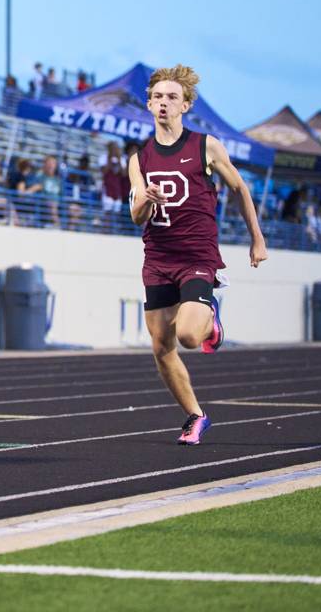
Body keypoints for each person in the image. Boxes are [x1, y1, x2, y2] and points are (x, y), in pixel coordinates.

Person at [129, 64, 267, 446]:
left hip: (196, 256)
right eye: (157, 97)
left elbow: (239, 188)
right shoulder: (139, 160)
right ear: (149, 103)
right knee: (161, 347)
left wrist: (256, 238)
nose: (163, 103)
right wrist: (146, 200)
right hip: (157, 259)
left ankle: (211, 320)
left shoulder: (204, 146)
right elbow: (135, 215)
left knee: (190, 336)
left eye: (172, 97)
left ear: (185, 105)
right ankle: (195, 415)